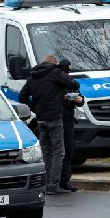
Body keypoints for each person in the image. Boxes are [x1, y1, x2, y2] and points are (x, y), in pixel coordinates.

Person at [18, 53, 78, 196]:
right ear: (54, 63)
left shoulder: (33, 75)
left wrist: (35, 107)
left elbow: (22, 96)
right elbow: (74, 84)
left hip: (40, 119)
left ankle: (45, 183)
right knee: (59, 152)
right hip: (54, 118)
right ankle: (53, 184)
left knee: (46, 151)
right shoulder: (55, 73)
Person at [57, 58, 84, 192]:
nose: (67, 75)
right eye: (65, 72)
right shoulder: (56, 82)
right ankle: (57, 180)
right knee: (59, 151)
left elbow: (80, 98)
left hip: (69, 120)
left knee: (69, 150)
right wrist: (68, 101)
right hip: (59, 119)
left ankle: (65, 179)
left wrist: (80, 100)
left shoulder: (70, 83)